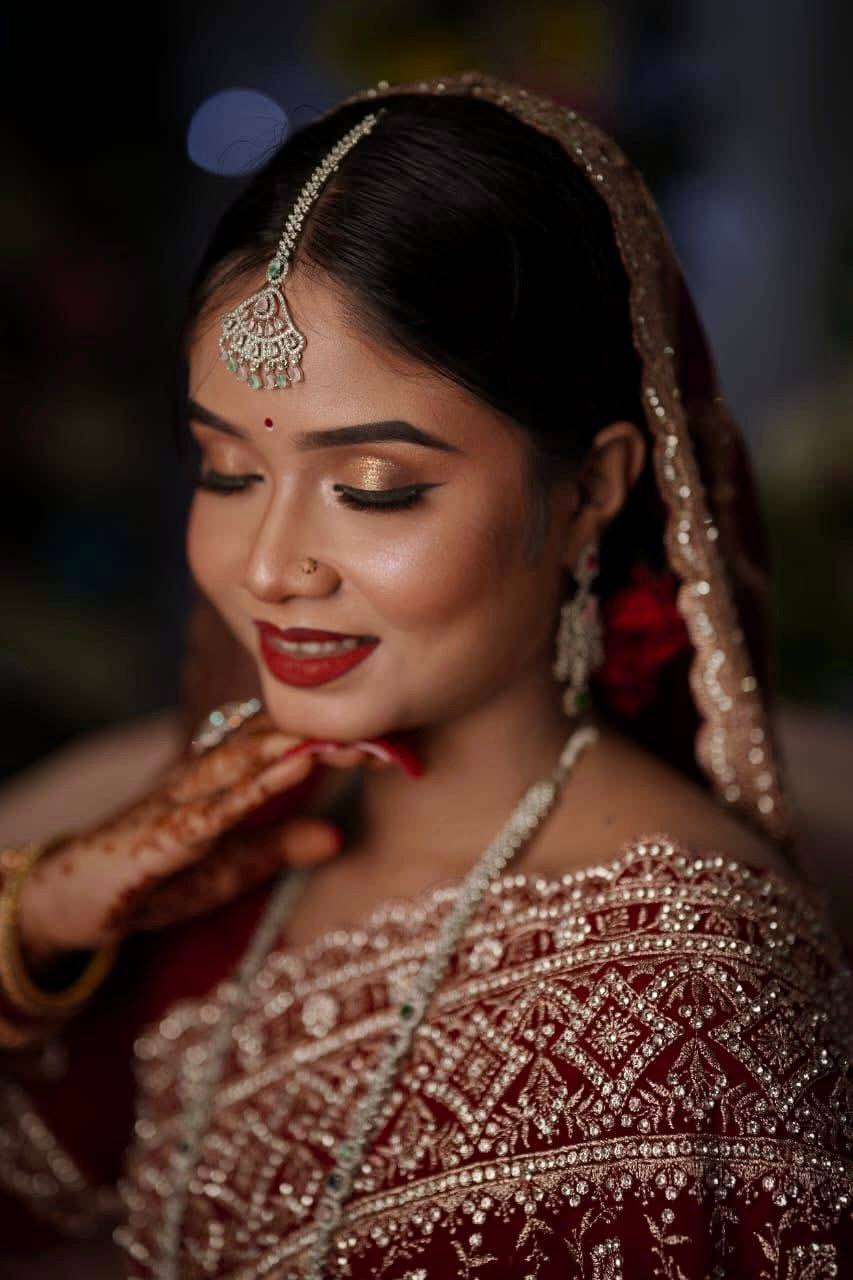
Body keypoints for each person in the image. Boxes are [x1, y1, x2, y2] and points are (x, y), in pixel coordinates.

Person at [1, 70, 850, 1279]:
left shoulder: (687, 993)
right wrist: (38, 920)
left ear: (590, 489)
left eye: (375, 488)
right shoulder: (224, 847)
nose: (268, 567)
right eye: (226, 469)